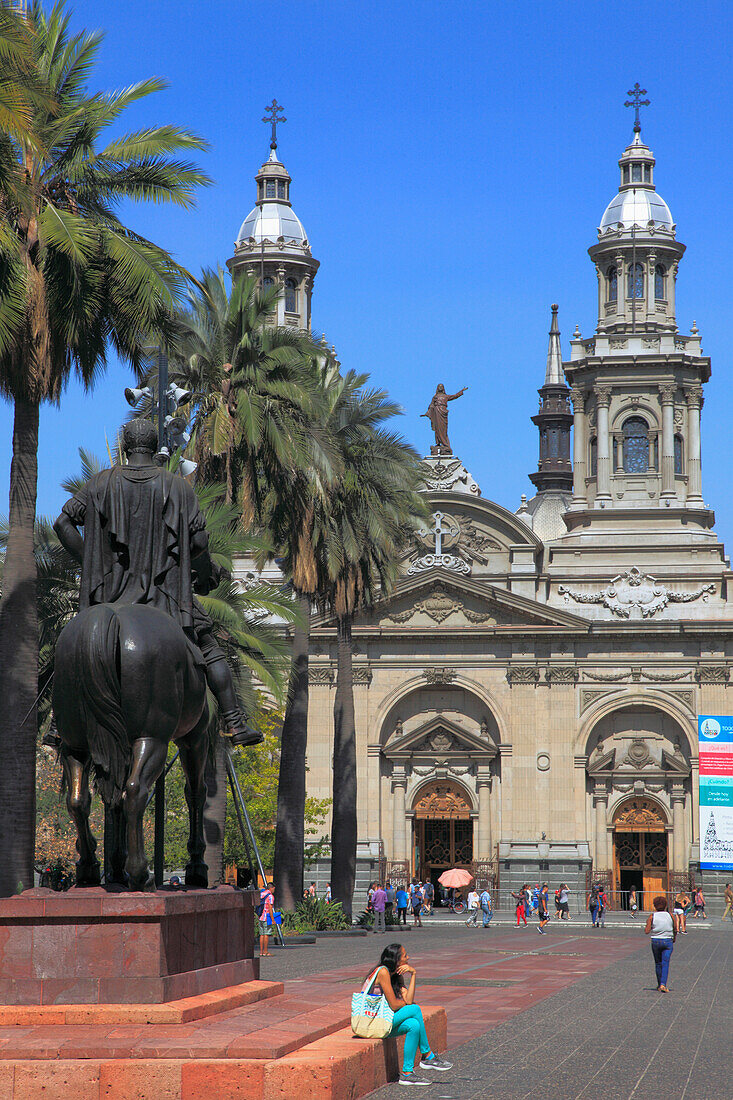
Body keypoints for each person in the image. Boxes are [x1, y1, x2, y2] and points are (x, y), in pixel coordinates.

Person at [53, 418, 262, 749]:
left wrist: (94, 565)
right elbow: (199, 542)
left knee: (74, 646)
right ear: (153, 448)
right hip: (165, 596)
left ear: (125, 447)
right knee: (209, 649)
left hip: (110, 596)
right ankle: (235, 723)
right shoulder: (177, 486)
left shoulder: (100, 483)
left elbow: (63, 523)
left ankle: (57, 722)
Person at [364, 943, 452, 1086]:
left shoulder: (395, 975)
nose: (408, 957)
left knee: (414, 1025)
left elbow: (408, 999)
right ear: (396, 960)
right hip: (373, 1023)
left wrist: (413, 974)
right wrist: (407, 1005)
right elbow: (395, 1004)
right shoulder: (383, 972)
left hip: (384, 1022)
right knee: (415, 1009)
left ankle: (406, 1073)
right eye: (405, 956)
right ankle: (427, 1055)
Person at [645, 895, 677, 993]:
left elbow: (647, 931)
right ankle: (663, 984)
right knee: (665, 962)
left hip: (655, 941)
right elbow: (675, 928)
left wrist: (648, 924)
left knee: (658, 963)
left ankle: (659, 984)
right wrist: (674, 938)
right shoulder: (671, 915)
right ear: (665, 905)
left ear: (655, 906)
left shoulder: (652, 916)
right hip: (668, 941)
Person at [258, 885, 275, 958]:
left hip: (260, 917)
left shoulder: (261, 894)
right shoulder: (270, 896)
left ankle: (261, 952)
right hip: (266, 917)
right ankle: (265, 951)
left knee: (261, 935)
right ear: (271, 888)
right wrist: (273, 919)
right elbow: (270, 908)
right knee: (266, 934)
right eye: (274, 888)